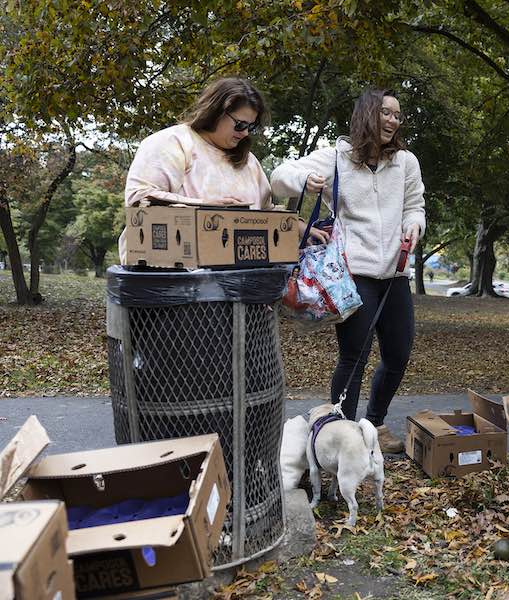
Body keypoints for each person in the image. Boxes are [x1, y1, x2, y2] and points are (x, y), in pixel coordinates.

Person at [271, 88, 426, 453]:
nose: (392, 120)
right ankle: (340, 439)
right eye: (386, 112)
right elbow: (279, 176)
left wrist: (414, 224)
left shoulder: (405, 161)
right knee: (354, 357)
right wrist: (303, 181)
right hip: (353, 275)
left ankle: (374, 423)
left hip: (394, 274)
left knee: (398, 354)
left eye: (397, 115)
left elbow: (415, 205)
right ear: (367, 114)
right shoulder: (336, 157)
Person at [118, 77, 272, 262]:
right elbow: (139, 198)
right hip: (171, 275)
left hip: (236, 276)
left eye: (251, 126)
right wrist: (205, 206)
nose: (245, 133)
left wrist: (300, 227)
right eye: (240, 124)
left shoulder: (249, 162)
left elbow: (266, 212)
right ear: (216, 112)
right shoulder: (172, 142)